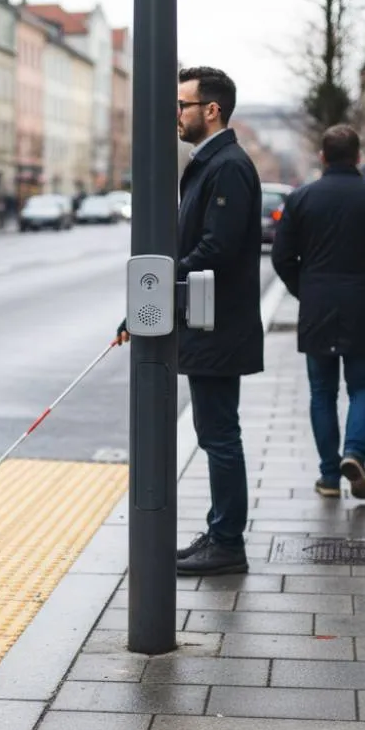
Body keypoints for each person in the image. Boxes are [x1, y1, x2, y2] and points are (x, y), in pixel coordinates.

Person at [116, 66, 264, 576]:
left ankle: (227, 542)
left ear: (211, 110)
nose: (175, 114)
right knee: (216, 431)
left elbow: (214, 249)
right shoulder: (213, 162)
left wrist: (155, 287)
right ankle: (221, 533)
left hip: (217, 322)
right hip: (210, 321)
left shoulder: (227, 166)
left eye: (182, 105)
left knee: (220, 435)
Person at [271, 125, 365, 500]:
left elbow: (282, 256)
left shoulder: (300, 199)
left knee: (322, 392)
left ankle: (329, 477)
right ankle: (355, 452)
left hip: (317, 305)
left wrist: (305, 291)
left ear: (322, 157)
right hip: (364, 302)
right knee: (364, 386)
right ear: (358, 157)